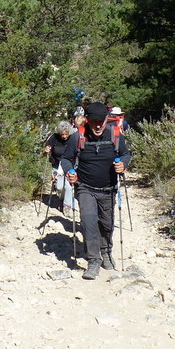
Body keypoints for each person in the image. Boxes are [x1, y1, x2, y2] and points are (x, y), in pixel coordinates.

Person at [60, 101, 130, 280]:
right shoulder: (78, 137)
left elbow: (125, 154)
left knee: (107, 224)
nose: (98, 125)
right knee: (89, 222)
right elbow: (66, 159)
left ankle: (106, 252)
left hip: (108, 189)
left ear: (107, 119)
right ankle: (93, 260)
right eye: (93, 121)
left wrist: (123, 164)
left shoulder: (116, 135)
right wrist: (70, 172)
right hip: (85, 188)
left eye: (101, 121)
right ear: (87, 121)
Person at [43, 121, 75, 213]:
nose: (64, 136)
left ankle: (67, 206)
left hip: (69, 165)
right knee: (60, 187)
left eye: (66, 134)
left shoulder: (73, 139)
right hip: (57, 165)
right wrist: (46, 151)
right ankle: (61, 199)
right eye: (62, 134)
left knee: (68, 186)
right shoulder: (54, 138)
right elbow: (45, 153)